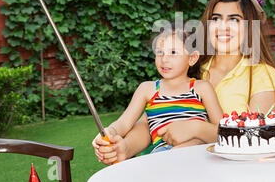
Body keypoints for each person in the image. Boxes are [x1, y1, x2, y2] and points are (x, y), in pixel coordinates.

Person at [92, 0, 275, 163]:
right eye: (216, 18)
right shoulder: (192, 67)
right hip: (180, 168)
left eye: (234, 19)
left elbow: (258, 138)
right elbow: (152, 119)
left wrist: (197, 128)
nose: (222, 27)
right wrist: (124, 148)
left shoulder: (261, 74)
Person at [92, 23, 223, 154]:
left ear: (192, 58)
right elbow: (124, 123)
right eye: (160, 52)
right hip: (162, 154)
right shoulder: (147, 89)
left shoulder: (202, 87)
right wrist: (109, 132)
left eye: (173, 52)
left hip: (197, 151)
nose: (164, 59)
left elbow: (222, 131)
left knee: (196, 143)